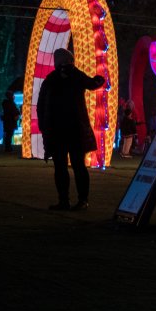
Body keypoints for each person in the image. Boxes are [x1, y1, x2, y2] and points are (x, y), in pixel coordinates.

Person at [36, 48, 105, 211]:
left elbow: (41, 105)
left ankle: (64, 200)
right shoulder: (75, 75)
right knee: (78, 166)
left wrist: (43, 126)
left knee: (60, 167)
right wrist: (99, 79)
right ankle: (82, 200)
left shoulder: (51, 79)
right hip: (76, 131)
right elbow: (92, 84)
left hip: (57, 131)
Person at [1, 90, 20, 154]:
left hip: (7, 121)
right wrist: (18, 113)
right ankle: (8, 148)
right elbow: (14, 111)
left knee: (8, 134)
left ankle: (8, 147)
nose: (14, 97)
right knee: (9, 134)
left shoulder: (6, 103)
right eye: (13, 95)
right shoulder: (11, 103)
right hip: (10, 121)